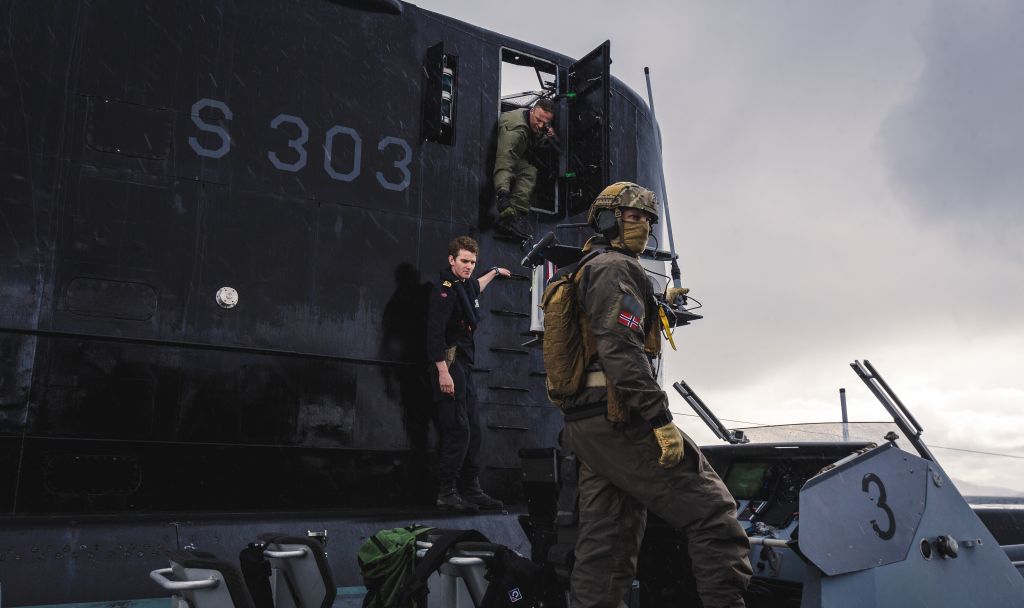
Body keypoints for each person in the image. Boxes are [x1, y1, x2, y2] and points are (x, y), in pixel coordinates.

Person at [556, 183, 752, 608]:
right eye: (632, 216)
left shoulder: (589, 267)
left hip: (587, 426)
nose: (643, 225)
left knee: (606, 544)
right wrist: (660, 421)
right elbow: (618, 348)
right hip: (619, 417)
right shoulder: (614, 269)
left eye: (647, 219)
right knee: (714, 515)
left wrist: (659, 304)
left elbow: (605, 330)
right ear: (607, 220)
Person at [426, 235, 512, 512]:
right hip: (449, 365)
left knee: (473, 429)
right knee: (458, 429)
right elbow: (434, 335)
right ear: (451, 260)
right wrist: (442, 372)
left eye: (473, 262)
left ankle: (471, 489)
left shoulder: (464, 285)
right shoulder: (445, 290)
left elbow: (476, 286)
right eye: (464, 261)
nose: (469, 267)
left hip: (464, 365)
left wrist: (495, 273)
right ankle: (446, 492)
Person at [492, 98, 556, 239]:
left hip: (516, 156)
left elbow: (535, 137)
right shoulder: (515, 130)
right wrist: (502, 194)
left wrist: (548, 135)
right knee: (527, 172)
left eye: (545, 123)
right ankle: (506, 220)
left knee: (530, 171)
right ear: (532, 111)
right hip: (498, 154)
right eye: (538, 120)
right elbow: (505, 160)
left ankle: (513, 219)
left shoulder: (537, 124)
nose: (540, 125)